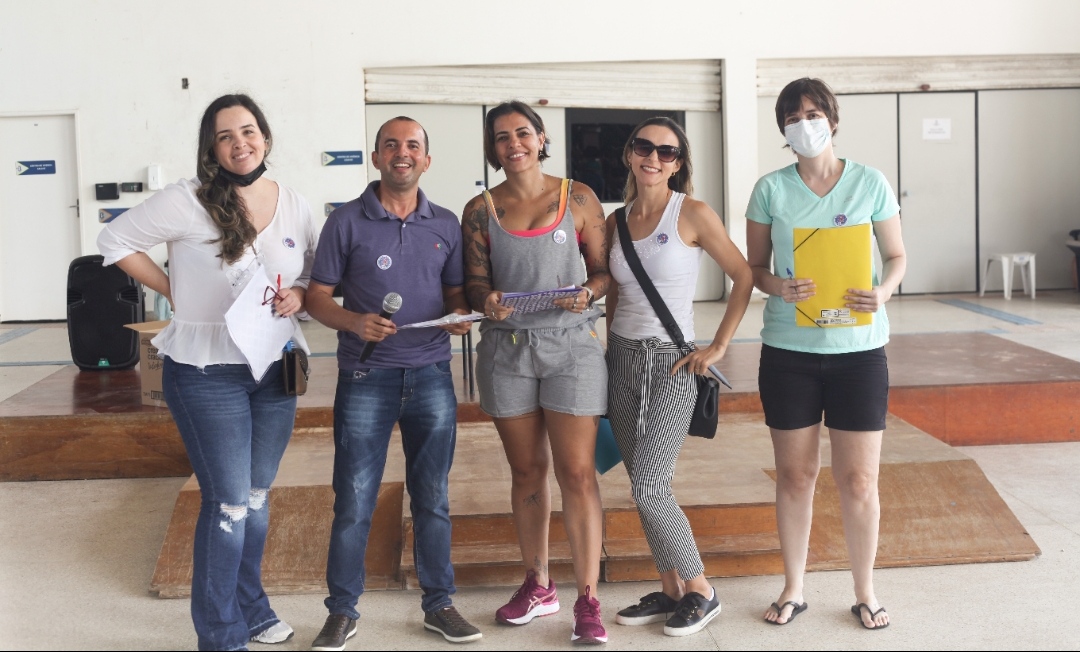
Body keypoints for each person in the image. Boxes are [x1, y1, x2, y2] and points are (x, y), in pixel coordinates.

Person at [97, 93, 317, 650]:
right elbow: (113, 240)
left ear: (265, 136)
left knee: (257, 497)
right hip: (205, 371)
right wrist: (175, 290)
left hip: (274, 370)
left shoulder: (294, 203)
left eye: (248, 131)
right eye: (225, 136)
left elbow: (315, 276)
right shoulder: (187, 200)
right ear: (211, 147)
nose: (239, 143)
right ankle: (219, 634)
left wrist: (300, 294)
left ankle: (252, 606)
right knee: (228, 503)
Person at [306, 116, 481, 650]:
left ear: (427, 160)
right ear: (377, 157)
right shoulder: (345, 222)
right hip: (366, 376)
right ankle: (341, 611)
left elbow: (454, 295)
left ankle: (439, 604)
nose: (401, 153)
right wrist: (354, 322)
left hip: (430, 374)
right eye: (391, 145)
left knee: (432, 495)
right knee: (354, 498)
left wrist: (458, 316)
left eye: (412, 146)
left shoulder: (445, 223)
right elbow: (316, 299)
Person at [746, 78, 906, 630]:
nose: (805, 123)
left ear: (832, 119)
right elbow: (756, 270)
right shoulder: (770, 189)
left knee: (859, 480)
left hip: (859, 351)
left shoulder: (869, 182)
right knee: (795, 476)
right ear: (783, 130)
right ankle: (794, 586)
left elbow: (897, 256)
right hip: (789, 350)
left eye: (813, 113)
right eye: (793, 116)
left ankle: (864, 590)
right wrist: (778, 286)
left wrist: (882, 292)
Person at [461, 101, 611, 645]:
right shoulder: (480, 210)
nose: (513, 144)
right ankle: (539, 583)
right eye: (501, 137)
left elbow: (604, 273)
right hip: (508, 350)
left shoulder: (579, 198)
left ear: (542, 138)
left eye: (522, 133)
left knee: (576, 474)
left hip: (571, 347)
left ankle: (588, 599)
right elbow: (474, 282)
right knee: (527, 472)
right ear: (492, 148)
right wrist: (489, 299)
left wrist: (586, 294)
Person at [604, 117, 753, 637]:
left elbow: (744, 274)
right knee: (644, 482)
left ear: (679, 163)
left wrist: (718, 345)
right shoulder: (615, 221)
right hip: (621, 358)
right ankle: (670, 589)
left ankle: (701, 589)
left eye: (667, 152)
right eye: (644, 147)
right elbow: (619, 294)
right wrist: (607, 350)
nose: (654, 158)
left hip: (672, 362)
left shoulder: (690, 212)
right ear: (629, 154)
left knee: (649, 486)